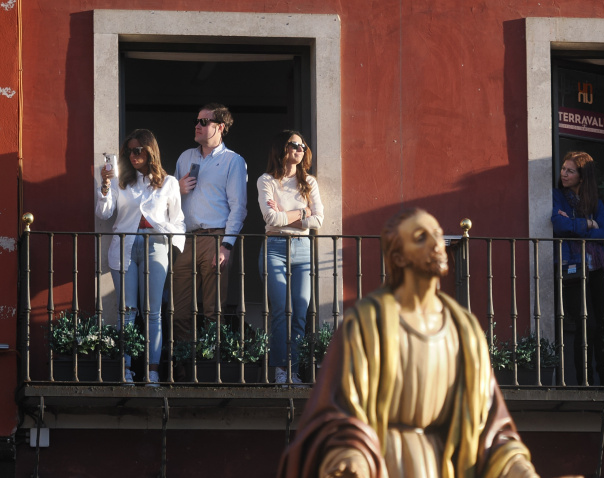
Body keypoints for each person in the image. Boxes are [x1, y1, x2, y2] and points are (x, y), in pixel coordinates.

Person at [278, 208, 539, 478]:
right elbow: (339, 415)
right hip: (387, 465)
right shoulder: (367, 325)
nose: (436, 243)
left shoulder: (465, 331)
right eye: (421, 237)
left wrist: (518, 468)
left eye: (437, 234)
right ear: (398, 257)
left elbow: (491, 427)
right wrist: (351, 457)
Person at [96, 129, 185, 385]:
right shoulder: (120, 181)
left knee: (152, 312)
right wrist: (104, 185)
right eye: (129, 152)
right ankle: (125, 370)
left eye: (138, 150)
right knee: (127, 312)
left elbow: (178, 221)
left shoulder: (169, 183)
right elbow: (104, 213)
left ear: (150, 151)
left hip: (155, 245)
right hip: (124, 245)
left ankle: (152, 371)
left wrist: (168, 240)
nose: (133, 156)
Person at [172, 103, 248, 374]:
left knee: (213, 310)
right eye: (197, 120)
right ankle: (185, 365)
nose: (197, 125)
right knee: (180, 309)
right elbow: (168, 201)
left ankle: (211, 368)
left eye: (204, 122)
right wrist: (176, 188)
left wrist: (227, 245)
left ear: (220, 127)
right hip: (185, 238)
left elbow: (238, 208)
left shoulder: (233, 161)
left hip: (216, 238)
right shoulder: (185, 157)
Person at [258, 130, 324, 384]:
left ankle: (293, 371)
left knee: (299, 312)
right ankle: (280, 371)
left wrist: (286, 215)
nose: (300, 149)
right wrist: (303, 212)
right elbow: (270, 218)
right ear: (281, 148)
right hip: (274, 247)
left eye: (303, 146)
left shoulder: (309, 182)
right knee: (281, 311)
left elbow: (318, 220)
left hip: (302, 249)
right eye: (294, 144)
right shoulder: (266, 181)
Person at [551, 151, 604, 385]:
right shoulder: (557, 196)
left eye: (570, 170)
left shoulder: (595, 203)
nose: (564, 174)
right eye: (563, 169)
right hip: (572, 267)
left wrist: (574, 226)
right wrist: (588, 223)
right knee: (586, 323)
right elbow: (559, 224)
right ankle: (584, 382)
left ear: (582, 176)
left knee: (601, 325)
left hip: (598, 268)